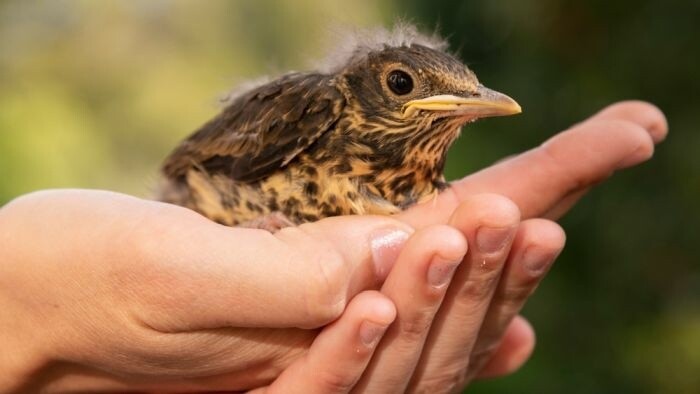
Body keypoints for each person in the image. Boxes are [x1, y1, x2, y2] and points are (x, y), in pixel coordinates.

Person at [0, 101, 667, 393]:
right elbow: (189, 170)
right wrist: (23, 309)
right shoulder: (313, 109)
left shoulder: (416, 174)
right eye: (404, 88)